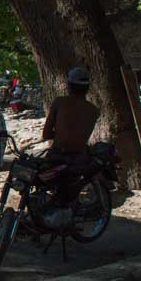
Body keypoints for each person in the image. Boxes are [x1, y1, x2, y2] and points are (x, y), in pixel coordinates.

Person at [40, 66, 100, 227]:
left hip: (59, 154)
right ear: (87, 88)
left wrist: (59, 134)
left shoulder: (60, 102)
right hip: (79, 157)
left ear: (69, 85)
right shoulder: (93, 110)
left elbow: (46, 134)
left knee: (39, 181)